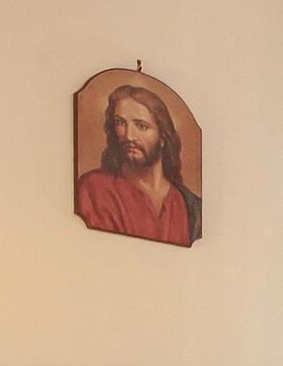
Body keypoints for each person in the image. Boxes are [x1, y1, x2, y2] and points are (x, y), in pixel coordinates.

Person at [76, 85, 202, 246]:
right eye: (120, 123)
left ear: (163, 137)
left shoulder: (190, 206)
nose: (128, 136)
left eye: (141, 126)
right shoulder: (94, 188)